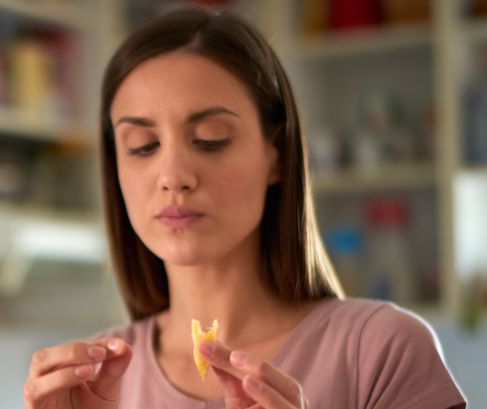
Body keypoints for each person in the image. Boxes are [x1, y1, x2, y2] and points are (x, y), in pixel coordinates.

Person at [24, 8, 466, 409]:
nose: (173, 174)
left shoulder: (381, 351)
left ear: (275, 154)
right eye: (143, 146)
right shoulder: (91, 381)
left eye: (210, 138)